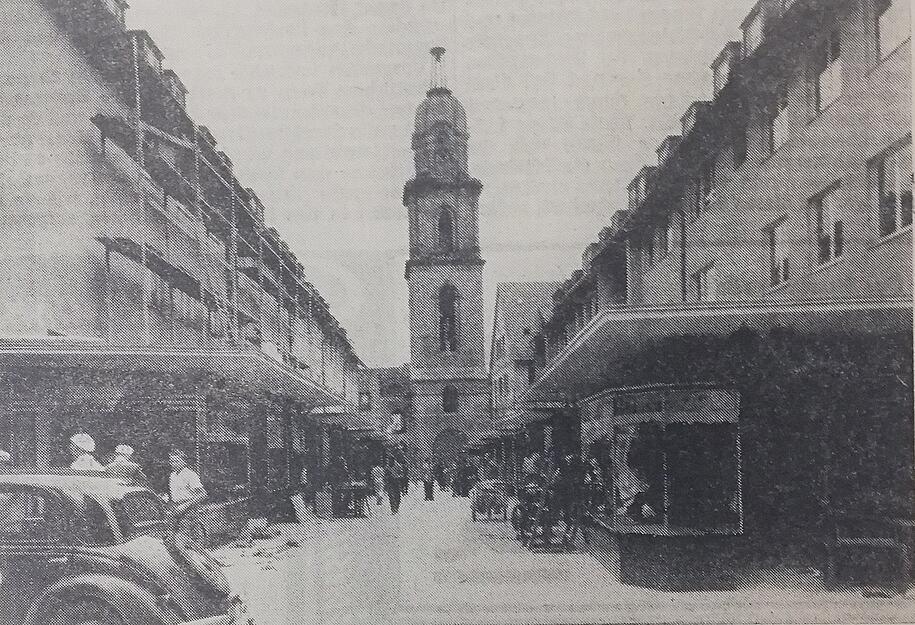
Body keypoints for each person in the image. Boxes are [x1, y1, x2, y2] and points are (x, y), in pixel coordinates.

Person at [168, 449, 207, 513]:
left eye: (176, 461)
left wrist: (186, 505)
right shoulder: (173, 475)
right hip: (176, 509)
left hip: (190, 510)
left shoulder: (190, 474)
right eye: (172, 461)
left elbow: (202, 494)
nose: (173, 464)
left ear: (184, 462)